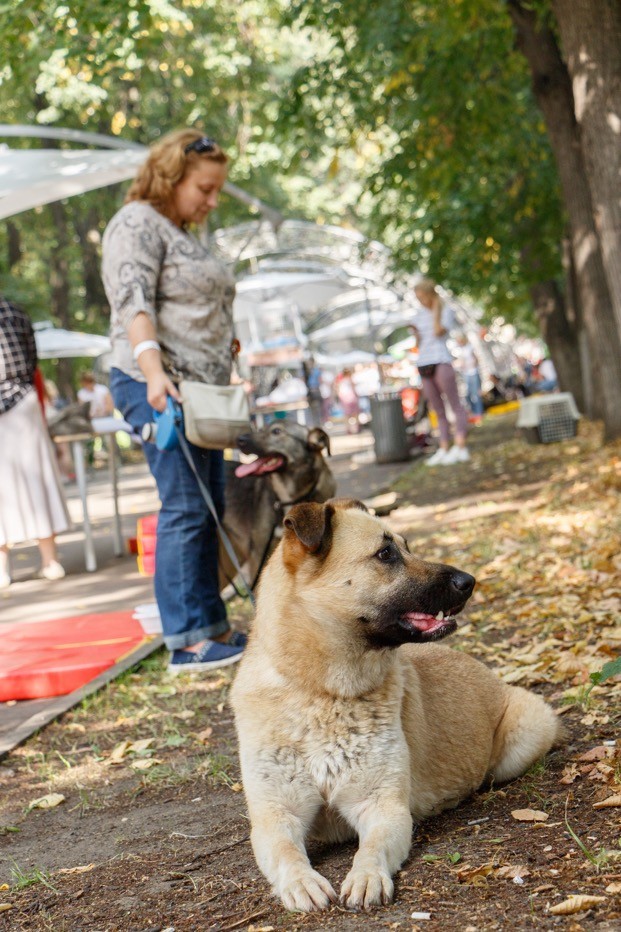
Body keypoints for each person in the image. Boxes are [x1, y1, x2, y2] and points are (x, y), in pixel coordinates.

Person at [101, 128, 245, 674]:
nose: (211, 201)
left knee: (209, 504)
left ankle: (211, 627)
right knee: (185, 505)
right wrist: (154, 373)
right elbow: (131, 301)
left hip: (200, 391)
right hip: (157, 384)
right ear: (172, 176)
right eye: (204, 189)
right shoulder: (136, 223)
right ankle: (186, 640)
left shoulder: (177, 231)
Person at [0, 296, 70, 588]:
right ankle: (50, 560)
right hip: (24, 400)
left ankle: (2, 569)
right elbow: (32, 358)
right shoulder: (16, 309)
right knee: (38, 480)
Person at [410, 278, 470, 465]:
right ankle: (444, 447)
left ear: (430, 294)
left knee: (455, 405)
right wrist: (415, 333)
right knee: (437, 409)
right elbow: (419, 343)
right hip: (424, 362)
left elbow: (438, 331)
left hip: (441, 360)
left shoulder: (446, 311)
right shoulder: (417, 315)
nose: (420, 301)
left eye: (422, 297)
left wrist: (436, 307)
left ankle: (460, 446)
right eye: (417, 297)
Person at [453, 332, 484, 424]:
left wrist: (472, 365)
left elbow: (476, 359)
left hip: (473, 372)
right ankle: (474, 412)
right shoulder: (459, 351)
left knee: (476, 394)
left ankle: (479, 413)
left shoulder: (469, 348)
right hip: (465, 374)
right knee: (468, 394)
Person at [334, 368, 360, 434]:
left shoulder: (340, 380)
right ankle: (355, 428)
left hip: (344, 397)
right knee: (354, 414)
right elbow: (353, 388)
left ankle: (348, 428)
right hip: (350, 397)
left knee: (347, 415)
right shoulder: (349, 380)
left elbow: (337, 389)